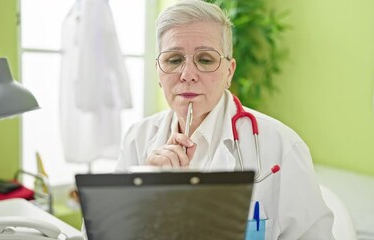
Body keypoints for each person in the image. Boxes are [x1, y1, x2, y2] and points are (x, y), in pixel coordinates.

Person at [116, 0, 334, 239]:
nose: (187, 74)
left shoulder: (281, 147)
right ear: (159, 70)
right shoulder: (136, 140)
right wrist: (143, 195)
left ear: (229, 71)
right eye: (174, 60)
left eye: (205, 59)